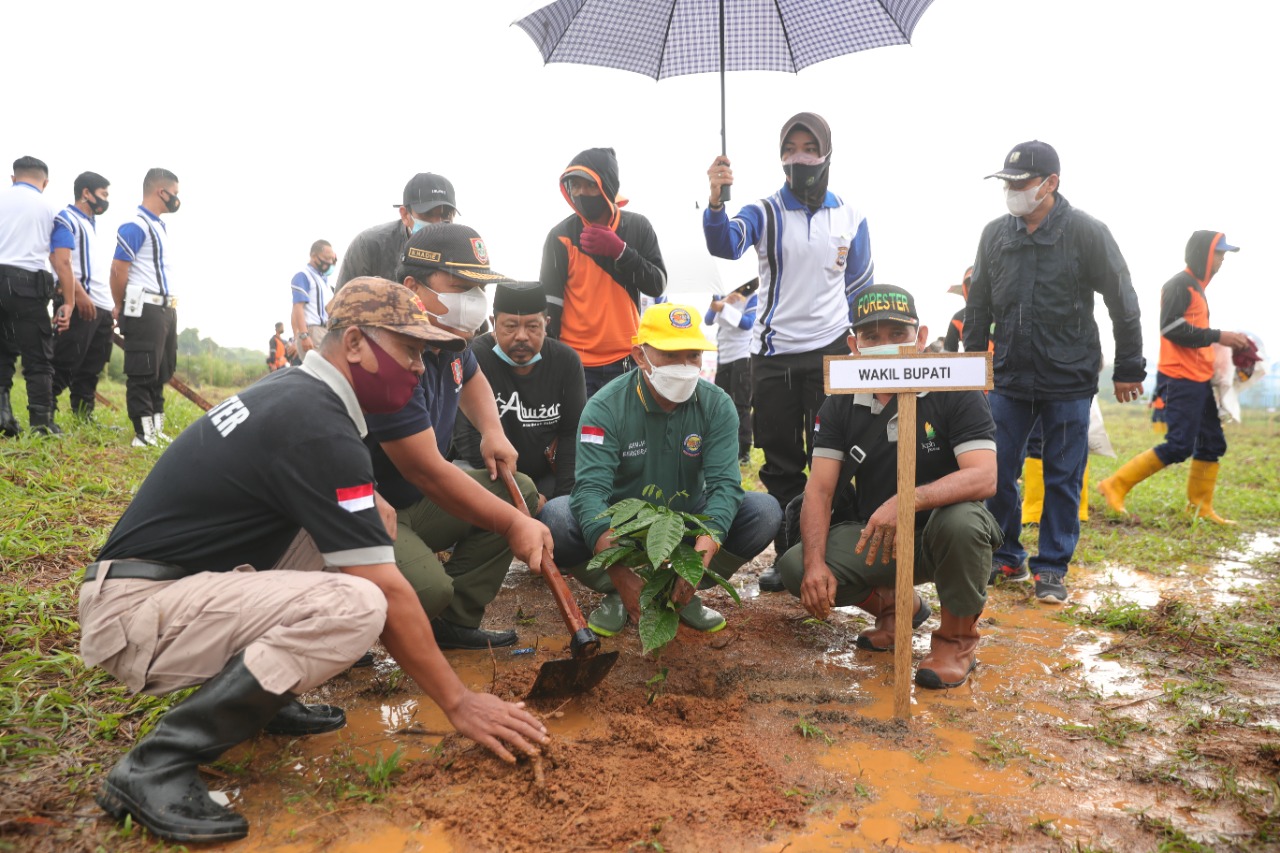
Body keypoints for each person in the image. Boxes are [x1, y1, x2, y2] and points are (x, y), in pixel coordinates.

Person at [80, 279, 549, 843]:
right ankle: (155, 762)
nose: (420, 369)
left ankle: (263, 697)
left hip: (175, 583)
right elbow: (385, 588)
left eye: (424, 354)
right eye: (408, 350)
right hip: (133, 613)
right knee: (359, 603)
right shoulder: (314, 420)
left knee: (360, 529)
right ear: (354, 343)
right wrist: (459, 700)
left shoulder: (299, 393)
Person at [776, 284, 1002, 689]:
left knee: (964, 523)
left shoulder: (955, 387)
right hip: (878, 537)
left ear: (920, 336)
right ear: (854, 345)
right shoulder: (841, 402)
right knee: (796, 565)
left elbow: (984, 476)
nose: (887, 346)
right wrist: (814, 564)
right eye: (872, 336)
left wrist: (908, 500)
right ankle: (895, 607)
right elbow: (820, 491)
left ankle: (956, 641)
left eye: (898, 334)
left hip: (944, 535)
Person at [964, 141, 1146, 604]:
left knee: (1063, 474)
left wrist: (1129, 366)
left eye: (1021, 183)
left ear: (1051, 183)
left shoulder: (1086, 232)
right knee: (996, 470)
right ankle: (1004, 553)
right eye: (1007, 183)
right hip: (1007, 374)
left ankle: (1052, 567)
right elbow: (979, 302)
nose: (1013, 191)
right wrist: (970, 365)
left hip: (1068, 376)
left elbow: (1122, 299)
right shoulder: (994, 235)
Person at [540, 304, 782, 637]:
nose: (685, 367)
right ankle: (618, 589)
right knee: (558, 517)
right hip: (623, 524)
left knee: (763, 512)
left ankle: (681, 588)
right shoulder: (605, 407)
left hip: (686, 520)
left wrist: (695, 564)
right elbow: (591, 492)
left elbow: (725, 486)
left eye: (693, 355)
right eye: (671, 355)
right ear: (640, 356)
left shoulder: (716, 404)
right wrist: (621, 573)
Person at [366, 223, 552, 650]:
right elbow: (430, 472)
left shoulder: (451, 338)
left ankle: (454, 623)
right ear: (413, 287)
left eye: (477, 288)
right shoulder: (393, 357)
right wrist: (515, 524)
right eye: (459, 286)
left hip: (414, 501)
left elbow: (471, 379)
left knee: (514, 490)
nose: (472, 301)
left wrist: (492, 430)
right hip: (370, 507)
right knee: (430, 590)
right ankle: (350, 617)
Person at [703, 112, 875, 570]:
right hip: (773, 355)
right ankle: (787, 557)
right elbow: (726, 244)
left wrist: (862, 344)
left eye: (809, 149)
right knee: (780, 462)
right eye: (789, 150)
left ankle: (835, 551)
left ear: (827, 154)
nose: (799, 158)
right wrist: (716, 202)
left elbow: (860, 285)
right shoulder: (763, 211)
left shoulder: (851, 215)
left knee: (832, 457)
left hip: (832, 354)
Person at [1099, 232, 1250, 524]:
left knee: (1212, 443)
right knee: (1179, 445)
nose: (1222, 260)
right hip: (1180, 378)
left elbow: (1192, 330)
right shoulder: (1179, 285)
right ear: (1204, 254)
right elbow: (1170, 329)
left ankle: (1200, 509)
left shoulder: (1197, 288)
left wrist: (1222, 344)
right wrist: (1220, 335)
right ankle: (1115, 485)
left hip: (1199, 377)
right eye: (1219, 254)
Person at [540, 147, 668, 397]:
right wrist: (551, 362)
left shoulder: (637, 226)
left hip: (627, 360)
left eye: (588, 185)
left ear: (606, 186)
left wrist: (621, 252)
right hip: (575, 364)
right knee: (581, 436)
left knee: (627, 435)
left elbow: (657, 284)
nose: (580, 193)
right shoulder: (560, 236)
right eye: (574, 185)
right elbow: (549, 306)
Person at [452, 280, 586, 509]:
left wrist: (564, 498)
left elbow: (572, 433)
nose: (522, 336)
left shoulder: (566, 361)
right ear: (493, 324)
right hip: (486, 476)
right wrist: (521, 493)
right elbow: (466, 436)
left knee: (562, 521)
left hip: (547, 480)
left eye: (533, 327)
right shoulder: (472, 357)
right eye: (510, 326)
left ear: (546, 324)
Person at [0, 156, 73, 437]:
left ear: (13, 178)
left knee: (2, 352)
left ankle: (3, 417)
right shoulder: (55, 210)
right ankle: (42, 424)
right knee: (38, 357)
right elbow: (62, 261)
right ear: (45, 182)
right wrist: (68, 301)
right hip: (26, 287)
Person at [112, 168, 183, 448]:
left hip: (166, 308)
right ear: (160, 191)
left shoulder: (159, 226)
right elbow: (118, 269)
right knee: (142, 371)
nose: (177, 199)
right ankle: (143, 433)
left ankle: (156, 428)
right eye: (175, 194)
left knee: (161, 371)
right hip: (145, 307)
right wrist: (119, 306)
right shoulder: (136, 225)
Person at [48, 171, 113, 424]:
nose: (106, 200)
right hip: (80, 302)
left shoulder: (92, 225)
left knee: (91, 369)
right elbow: (59, 260)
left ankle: (84, 418)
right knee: (63, 362)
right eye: (104, 194)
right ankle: (44, 417)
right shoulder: (66, 219)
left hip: (101, 306)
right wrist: (79, 295)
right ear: (86, 192)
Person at [335, 174, 456, 289]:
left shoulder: (460, 251)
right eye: (427, 214)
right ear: (405, 215)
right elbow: (342, 306)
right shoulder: (369, 246)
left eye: (446, 215)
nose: (437, 225)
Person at [705, 278, 758, 464]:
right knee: (721, 405)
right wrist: (722, 303)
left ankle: (743, 451)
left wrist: (725, 309)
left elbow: (748, 323)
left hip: (743, 356)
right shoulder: (721, 296)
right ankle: (724, 446)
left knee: (741, 405)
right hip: (724, 357)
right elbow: (708, 320)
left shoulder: (752, 298)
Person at [290, 239, 337, 355]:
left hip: (326, 331)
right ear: (314, 256)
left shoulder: (324, 281)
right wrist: (303, 335)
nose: (330, 262)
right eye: (326, 258)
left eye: (332, 259)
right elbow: (297, 307)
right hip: (313, 330)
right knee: (320, 371)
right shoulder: (303, 275)